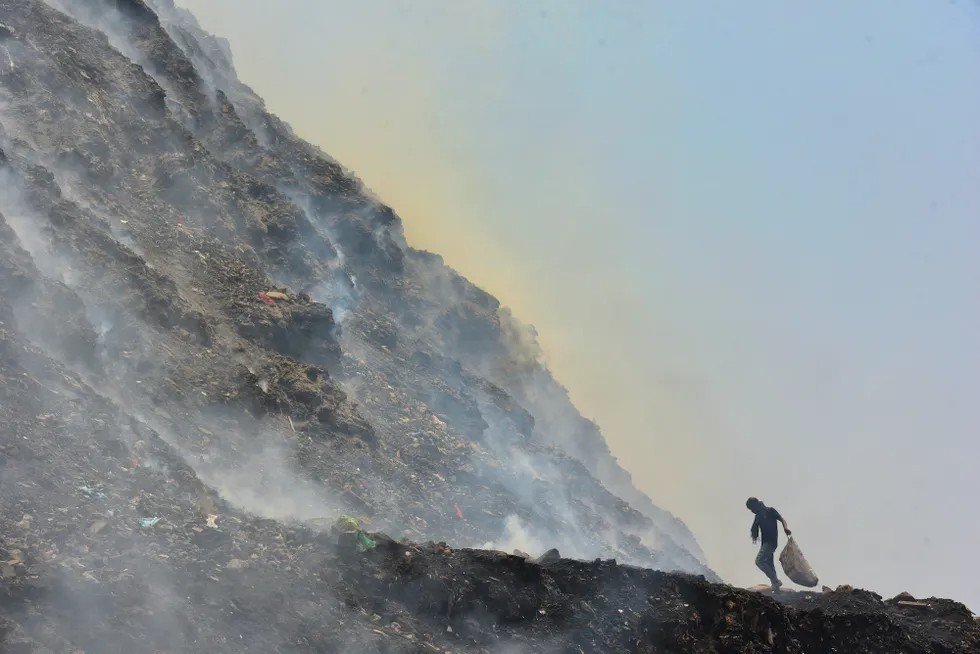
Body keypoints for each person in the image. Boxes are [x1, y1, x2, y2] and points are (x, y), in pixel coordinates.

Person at [746, 497, 791, 590]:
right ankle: (775, 587)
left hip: (771, 542)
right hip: (765, 543)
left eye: (752, 508)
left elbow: (782, 519)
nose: (752, 511)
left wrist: (785, 528)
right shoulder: (758, 516)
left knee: (759, 561)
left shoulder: (769, 511)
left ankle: (775, 581)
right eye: (750, 510)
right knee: (769, 563)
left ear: (756, 504)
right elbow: (754, 528)